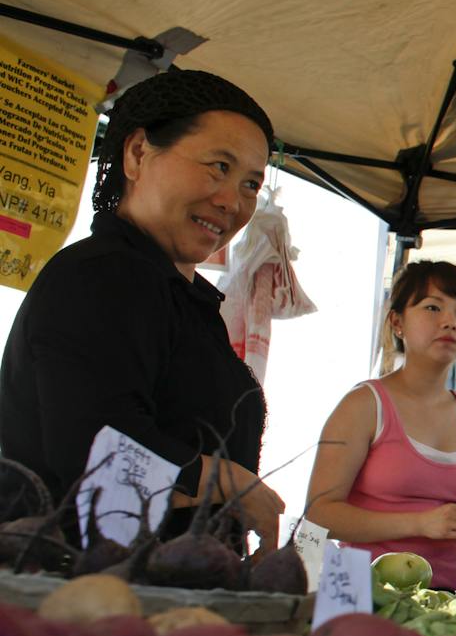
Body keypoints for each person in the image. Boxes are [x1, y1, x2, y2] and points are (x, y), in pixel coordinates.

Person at [0, 69, 286, 545]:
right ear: (137, 153)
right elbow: (97, 451)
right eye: (219, 166)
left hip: (167, 587)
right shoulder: (102, 275)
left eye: (251, 184)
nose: (231, 201)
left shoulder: (177, 294)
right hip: (81, 589)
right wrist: (232, 482)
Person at [305, 260, 456, 590]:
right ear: (397, 322)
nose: (449, 322)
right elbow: (319, 516)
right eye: (432, 307)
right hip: (372, 597)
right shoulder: (364, 405)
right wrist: (420, 523)